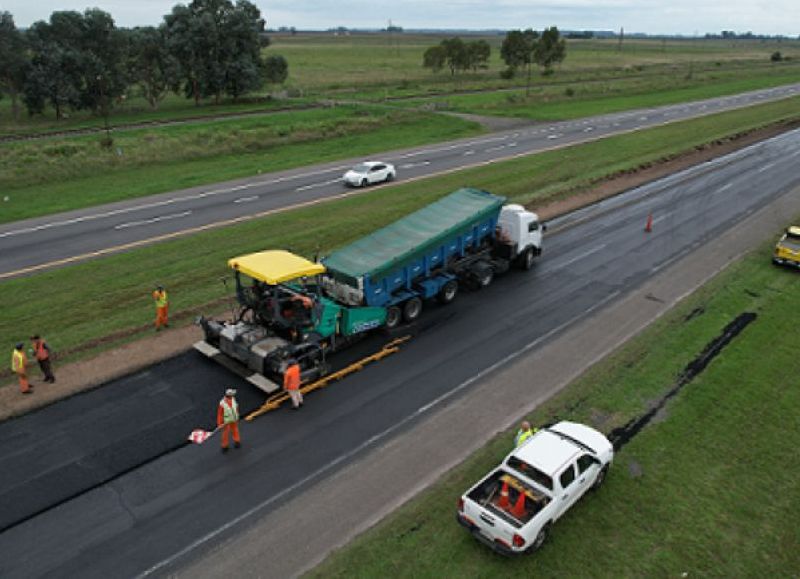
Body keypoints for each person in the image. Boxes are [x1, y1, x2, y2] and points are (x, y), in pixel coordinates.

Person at [217, 388, 241, 453]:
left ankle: (237, 441)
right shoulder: (222, 404)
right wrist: (219, 423)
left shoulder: (233, 400)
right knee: (225, 433)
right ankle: (225, 446)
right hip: (226, 421)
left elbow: (236, 408)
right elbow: (219, 414)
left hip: (233, 419)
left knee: (235, 430)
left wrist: (237, 415)